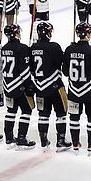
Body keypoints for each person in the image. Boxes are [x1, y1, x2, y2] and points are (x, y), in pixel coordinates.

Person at [63, 23, 91, 154]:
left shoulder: (69, 49)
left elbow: (65, 71)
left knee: (74, 117)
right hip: (89, 91)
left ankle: (75, 143)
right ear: (88, 34)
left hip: (73, 91)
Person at [30, 22, 70, 151]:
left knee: (43, 115)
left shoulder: (32, 48)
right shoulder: (54, 47)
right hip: (55, 86)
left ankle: (43, 140)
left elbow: (30, 68)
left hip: (39, 88)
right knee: (61, 114)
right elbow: (62, 65)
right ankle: (61, 140)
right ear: (48, 33)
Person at [1, 24, 36, 149]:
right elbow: (24, 70)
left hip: (7, 85)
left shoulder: (4, 48)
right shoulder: (22, 48)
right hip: (19, 85)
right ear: (16, 34)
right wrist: (29, 85)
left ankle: (9, 137)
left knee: (11, 111)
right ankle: (21, 137)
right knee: (26, 110)